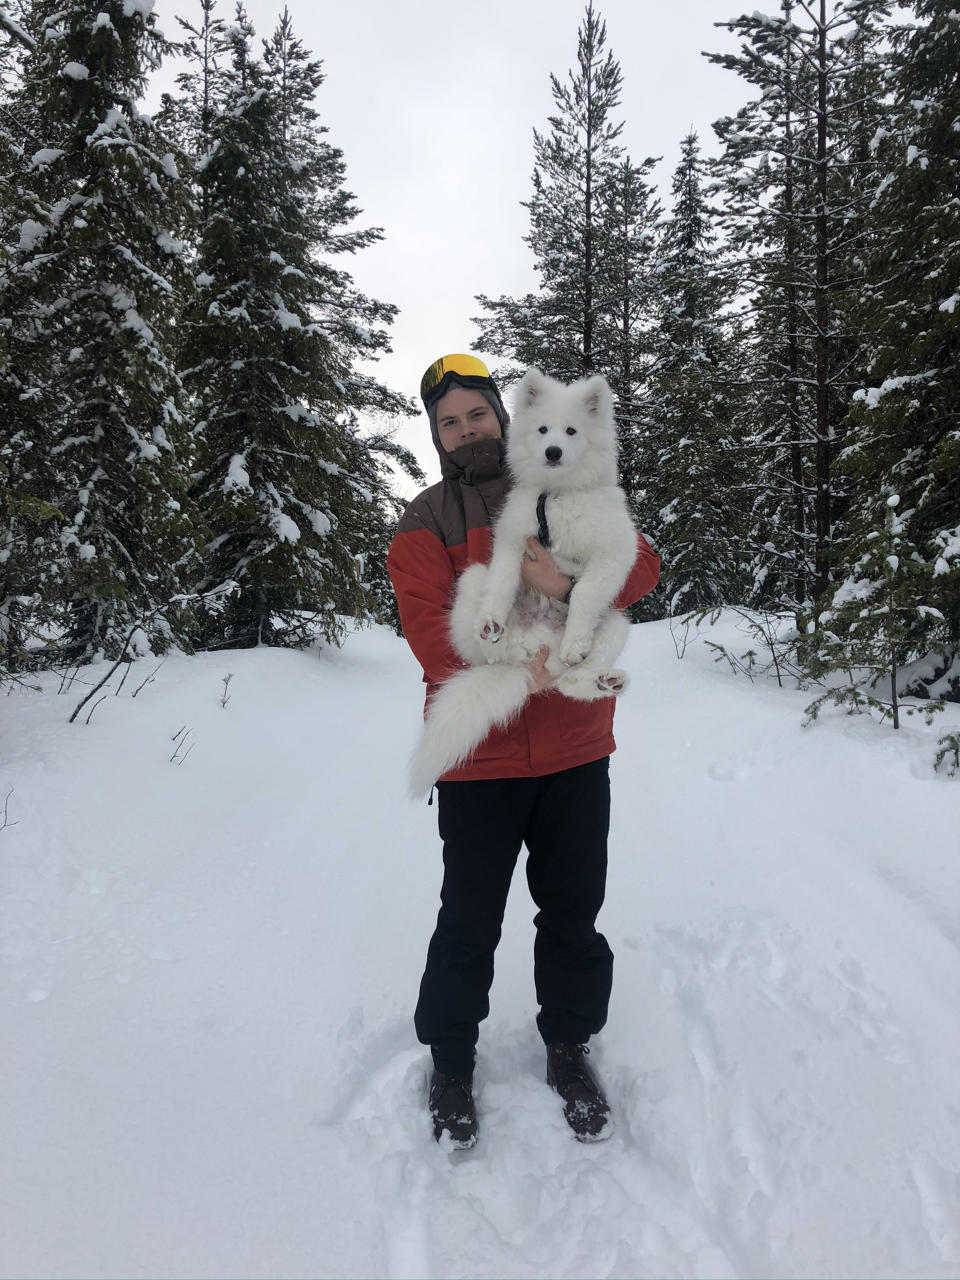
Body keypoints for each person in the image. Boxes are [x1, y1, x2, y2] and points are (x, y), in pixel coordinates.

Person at [387, 353, 660, 1147]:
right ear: (436, 435)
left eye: (476, 413)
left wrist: (570, 592)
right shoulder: (426, 520)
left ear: (503, 420)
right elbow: (431, 639)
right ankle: (450, 1058)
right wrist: (525, 662)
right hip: (483, 762)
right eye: (450, 421)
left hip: (577, 753)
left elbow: (639, 567)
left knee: (573, 912)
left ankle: (569, 1047)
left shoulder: (561, 475)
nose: (466, 428)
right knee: (468, 920)